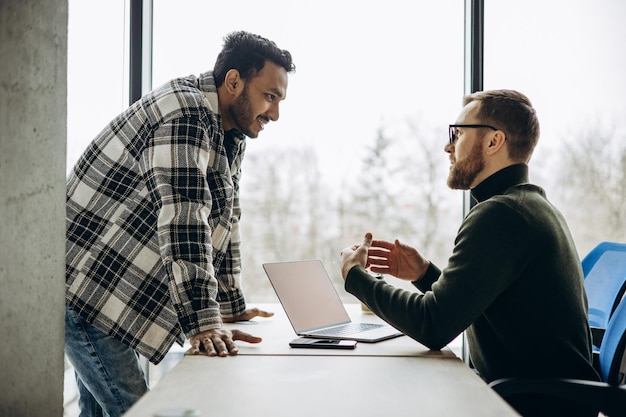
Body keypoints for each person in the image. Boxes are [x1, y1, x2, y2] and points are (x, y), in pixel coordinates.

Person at [65, 31, 295, 417]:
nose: (275, 113)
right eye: (270, 96)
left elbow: (224, 219)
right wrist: (204, 323)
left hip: (111, 296)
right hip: (88, 295)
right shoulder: (186, 115)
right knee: (143, 410)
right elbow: (184, 222)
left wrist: (228, 305)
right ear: (233, 81)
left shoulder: (227, 131)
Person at [340, 90, 600, 417]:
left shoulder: (501, 214)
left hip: (528, 406)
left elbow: (432, 326)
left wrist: (355, 276)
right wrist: (425, 276)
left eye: (458, 133)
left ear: (494, 141)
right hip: (544, 401)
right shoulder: (529, 205)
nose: (448, 146)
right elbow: (483, 305)